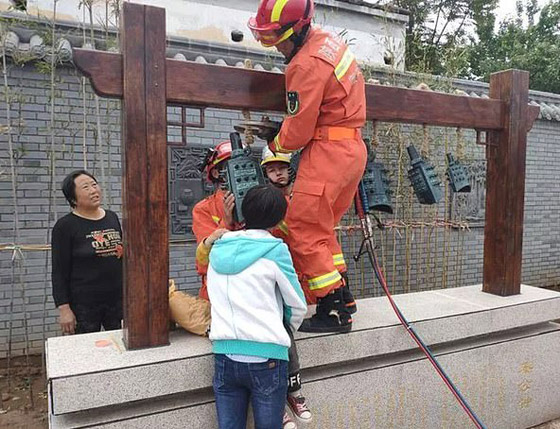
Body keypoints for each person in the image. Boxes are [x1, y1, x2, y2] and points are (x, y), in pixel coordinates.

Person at [249, 0, 367, 333]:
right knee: (321, 226)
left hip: (328, 151)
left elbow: (299, 128)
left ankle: (332, 310)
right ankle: (342, 295)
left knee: (299, 226)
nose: (276, 47)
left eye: (276, 39)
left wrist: (275, 146)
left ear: (297, 29)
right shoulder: (329, 43)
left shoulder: (304, 64)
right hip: (350, 148)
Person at [202, 185, 307, 429]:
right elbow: (296, 304)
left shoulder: (218, 248)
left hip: (224, 354)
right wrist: (283, 328)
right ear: (280, 217)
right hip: (267, 356)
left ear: (243, 210)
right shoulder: (276, 250)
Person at [51, 170, 123, 334]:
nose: (93, 190)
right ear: (72, 198)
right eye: (85, 187)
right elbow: (59, 271)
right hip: (84, 306)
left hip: (116, 301)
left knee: (120, 348)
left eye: (94, 184)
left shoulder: (112, 217)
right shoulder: (65, 226)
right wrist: (64, 309)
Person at [192, 141, 237, 300]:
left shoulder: (255, 202)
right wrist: (227, 220)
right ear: (217, 173)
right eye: (232, 166)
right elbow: (208, 254)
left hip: (249, 286)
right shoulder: (204, 209)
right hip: (217, 290)